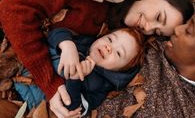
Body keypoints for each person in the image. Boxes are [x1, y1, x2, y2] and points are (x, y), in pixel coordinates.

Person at [0, 0, 193, 117]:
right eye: (159, 17)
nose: (148, 28)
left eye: (157, 32)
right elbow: (13, 11)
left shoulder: (117, 16)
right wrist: (50, 84)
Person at [15, 27, 144, 117]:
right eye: (110, 39)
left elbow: (75, 110)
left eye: (118, 53)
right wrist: (67, 45)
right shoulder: (84, 42)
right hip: (23, 63)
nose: (109, 47)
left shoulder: (100, 86)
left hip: (28, 100)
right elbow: (54, 34)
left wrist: (75, 79)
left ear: (118, 71)